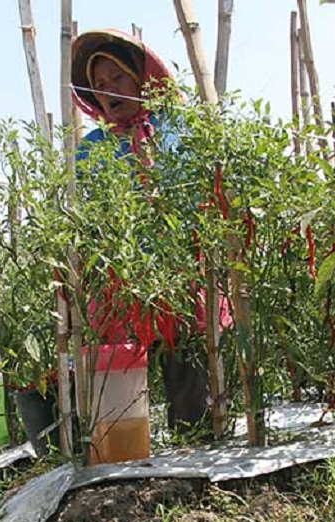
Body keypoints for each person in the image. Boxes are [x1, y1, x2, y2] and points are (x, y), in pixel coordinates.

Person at [70, 29, 231, 438]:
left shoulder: (177, 127)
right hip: (123, 283)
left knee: (190, 386)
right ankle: (129, 466)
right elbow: (86, 216)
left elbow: (206, 194)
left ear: (141, 79)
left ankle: (196, 453)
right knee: (121, 388)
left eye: (117, 78)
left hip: (180, 274)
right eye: (100, 86)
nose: (109, 91)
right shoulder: (92, 148)